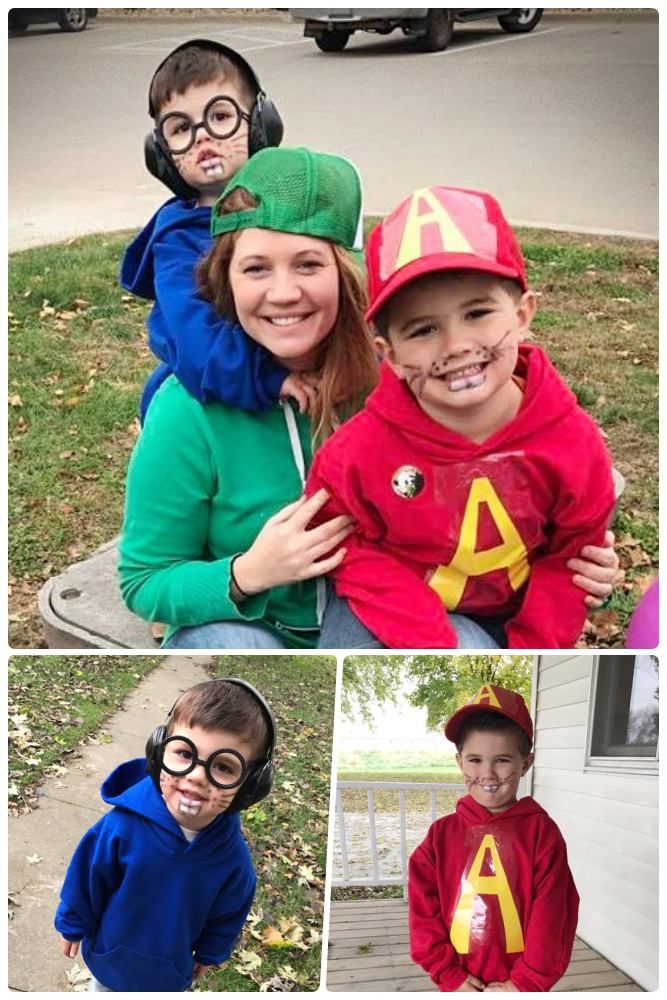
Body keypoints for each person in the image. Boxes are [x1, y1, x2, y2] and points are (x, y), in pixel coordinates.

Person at [306, 185, 617, 649]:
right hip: (393, 609)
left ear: (522, 313)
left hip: (513, 617)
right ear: (388, 355)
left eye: (477, 313)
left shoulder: (574, 443)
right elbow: (337, 538)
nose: (456, 346)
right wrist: (431, 638)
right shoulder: (357, 452)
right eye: (423, 329)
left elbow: (572, 558)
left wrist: (527, 651)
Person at [119, 146, 378, 648]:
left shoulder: (391, 386)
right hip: (249, 627)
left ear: (346, 275)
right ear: (227, 279)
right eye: (256, 268)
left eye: (307, 264)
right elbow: (144, 580)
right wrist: (247, 572)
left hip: (376, 617)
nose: (282, 293)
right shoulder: (187, 409)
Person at [121, 39, 318, 422]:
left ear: (261, 123)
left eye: (221, 116)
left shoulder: (289, 206)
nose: (204, 137)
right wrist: (266, 377)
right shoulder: (176, 244)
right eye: (181, 128)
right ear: (161, 153)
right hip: (223, 391)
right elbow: (191, 334)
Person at [55, 678, 275, 992]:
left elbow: (228, 911)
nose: (198, 776)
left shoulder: (231, 859)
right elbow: (87, 877)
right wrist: (73, 921)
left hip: (169, 976)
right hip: (111, 964)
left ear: (251, 786)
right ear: (159, 751)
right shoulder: (121, 828)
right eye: (185, 754)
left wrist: (212, 951)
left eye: (224, 767)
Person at [409, 683, 579, 992]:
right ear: (459, 761)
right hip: (461, 982)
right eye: (475, 760)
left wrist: (524, 984)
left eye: (502, 760)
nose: (487, 773)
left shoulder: (542, 834)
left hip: (516, 985)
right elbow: (423, 911)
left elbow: (554, 915)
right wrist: (448, 972)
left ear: (525, 764)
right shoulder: (440, 835)